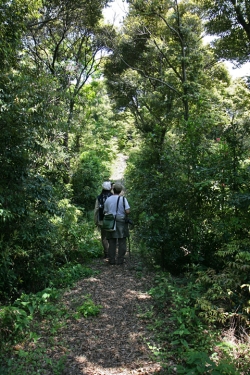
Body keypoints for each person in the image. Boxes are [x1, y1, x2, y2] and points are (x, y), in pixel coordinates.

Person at [104, 182, 130, 265]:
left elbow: (105, 211)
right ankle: (120, 259)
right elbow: (127, 211)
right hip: (121, 222)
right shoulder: (123, 199)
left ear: (113, 190)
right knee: (122, 240)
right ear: (120, 191)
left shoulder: (108, 199)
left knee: (111, 241)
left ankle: (111, 259)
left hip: (110, 222)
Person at [94, 181, 113, 259]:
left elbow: (96, 210)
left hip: (102, 220)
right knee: (111, 236)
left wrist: (96, 220)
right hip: (112, 220)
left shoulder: (99, 197)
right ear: (110, 188)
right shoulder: (113, 196)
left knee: (104, 236)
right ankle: (112, 252)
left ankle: (106, 252)